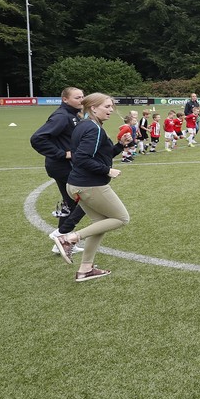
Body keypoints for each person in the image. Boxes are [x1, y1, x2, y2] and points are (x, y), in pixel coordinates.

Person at [50, 93, 133, 282]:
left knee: (99, 225)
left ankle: (85, 269)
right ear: (93, 108)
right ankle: (68, 238)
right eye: (107, 106)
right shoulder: (93, 128)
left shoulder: (85, 125)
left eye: (111, 106)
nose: (111, 110)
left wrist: (120, 145)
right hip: (89, 185)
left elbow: (99, 155)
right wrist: (107, 170)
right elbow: (81, 158)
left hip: (78, 184)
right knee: (121, 218)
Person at [31, 86, 86, 255]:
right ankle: (61, 236)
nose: (81, 100)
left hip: (65, 166)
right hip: (62, 167)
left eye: (82, 97)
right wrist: (62, 154)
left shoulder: (73, 115)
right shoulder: (62, 116)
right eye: (77, 97)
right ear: (65, 99)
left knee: (71, 203)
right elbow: (38, 138)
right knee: (87, 199)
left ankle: (61, 243)